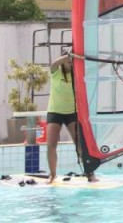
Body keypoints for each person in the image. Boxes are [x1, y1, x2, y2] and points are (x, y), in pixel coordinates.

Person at [46, 53, 78, 184]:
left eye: (71, 62)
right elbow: (53, 64)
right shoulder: (56, 73)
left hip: (71, 112)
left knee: (79, 144)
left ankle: (89, 172)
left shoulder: (76, 74)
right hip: (55, 112)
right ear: (63, 62)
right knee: (51, 145)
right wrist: (68, 56)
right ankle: (53, 175)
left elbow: (93, 69)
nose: (70, 64)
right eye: (68, 62)